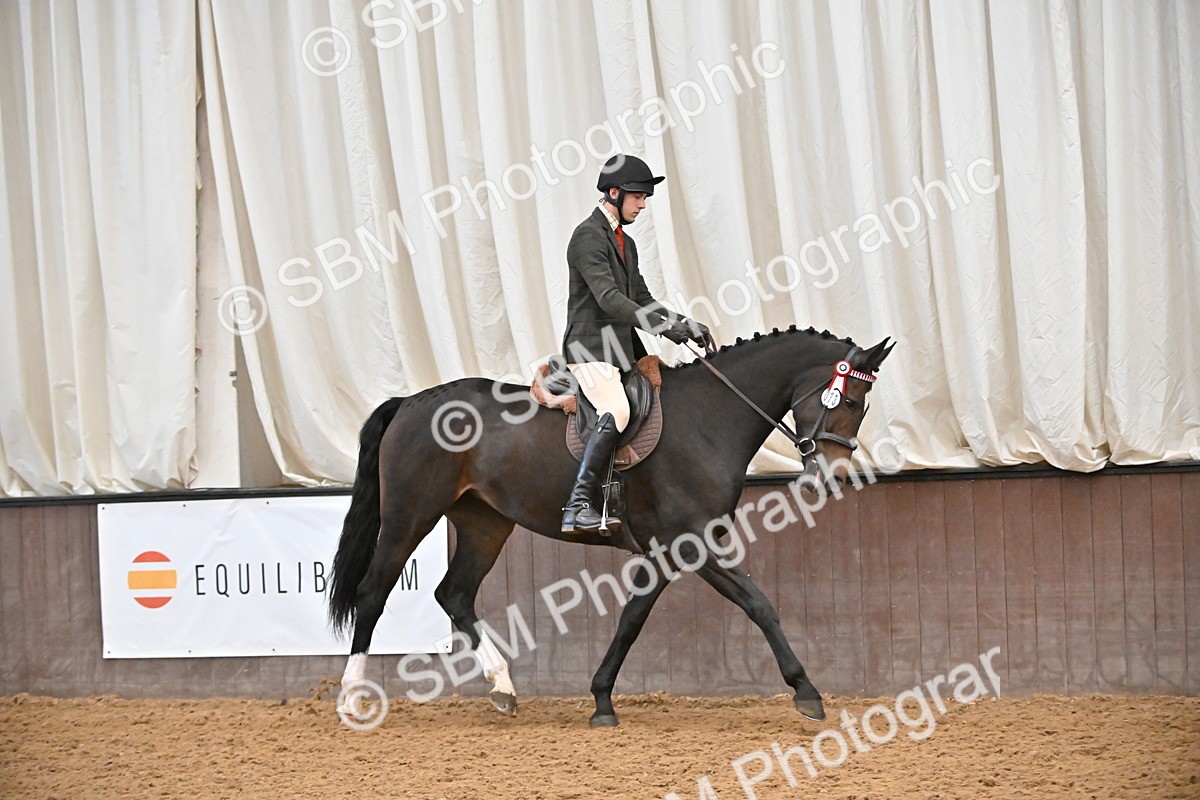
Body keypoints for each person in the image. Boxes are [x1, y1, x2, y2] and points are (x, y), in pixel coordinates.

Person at [559, 153, 714, 534]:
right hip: (590, 350)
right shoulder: (587, 237)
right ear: (614, 193)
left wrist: (682, 323)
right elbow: (609, 298)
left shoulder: (625, 242)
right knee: (619, 410)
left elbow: (641, 296)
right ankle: (578, 503)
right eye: (638, 197)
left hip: (621, 350)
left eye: (644, 198)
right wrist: (663, 330)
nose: (643, 205)